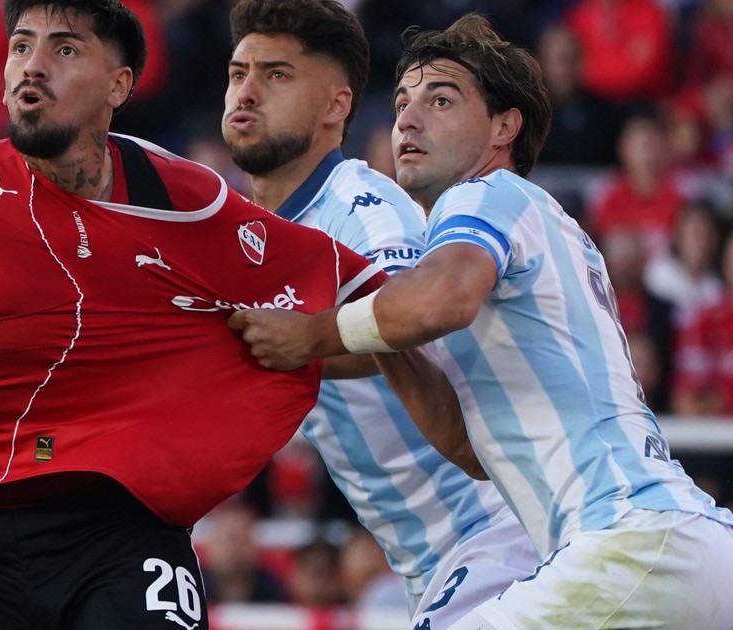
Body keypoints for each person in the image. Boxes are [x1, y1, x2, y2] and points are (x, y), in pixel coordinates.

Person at [0, 1, 466, 628]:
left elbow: (395, 309)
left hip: (121, 535)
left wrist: (321, 336)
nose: (33, 65)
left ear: (119, 86)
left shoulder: (187, 203)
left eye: (65, 48)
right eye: (21, 45)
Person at [231, 14, 733, 628]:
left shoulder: (486, 195)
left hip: (629, 540)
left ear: (503, 127)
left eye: (440, 101)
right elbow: (466, 449)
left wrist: (311, 334)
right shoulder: (531, 230)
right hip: (680, 546)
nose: (408, 120)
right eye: (402, 103)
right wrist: (369, 328)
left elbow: (436, 301)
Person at [220, 1, 541, 626]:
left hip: (495, 533)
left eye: (276, 74)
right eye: (238, 73)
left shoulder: (363, 208)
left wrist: (295, 343)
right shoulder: (246, 234)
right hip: (430, 560)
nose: (248, 92)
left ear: (336, 105)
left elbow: (409, 323)